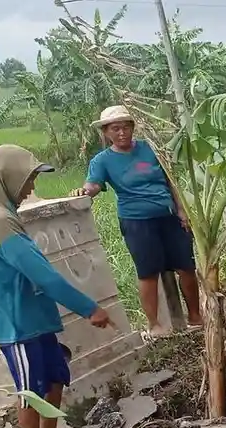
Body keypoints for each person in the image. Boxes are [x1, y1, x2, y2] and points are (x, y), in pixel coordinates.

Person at [0, 145, 113, 428]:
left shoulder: (2, 211)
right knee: (30, 389)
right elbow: (43, 274)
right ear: (7, 178)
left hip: (33, 314)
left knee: (55, 375)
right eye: (28, 180)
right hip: (14, 321)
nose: (31, 189)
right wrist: (88, 308)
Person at [72, 106, 201, 338]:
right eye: (115, 128)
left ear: (133, 127)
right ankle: (154, 325)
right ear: (106, 132)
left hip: (169, 215)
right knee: (148, 272)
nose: (122, 132)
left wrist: (182, 210)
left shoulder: (150, 149)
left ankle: (195, 316)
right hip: (137, 221)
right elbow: (94, 185)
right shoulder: (102, 160)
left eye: (126, 127)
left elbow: (171, 181)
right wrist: (84, 192)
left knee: (186, 266)